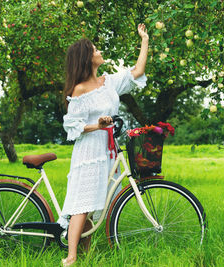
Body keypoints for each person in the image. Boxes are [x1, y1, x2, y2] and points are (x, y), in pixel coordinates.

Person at [59, 23, 149, 266]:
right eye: (95, 49)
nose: (99, 52)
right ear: (87, 58)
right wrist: (96, 126)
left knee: (98, 200)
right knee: (83, 201)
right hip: (89, 151)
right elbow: (72, 127)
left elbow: (138, 71)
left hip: (108, 149)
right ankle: (71, 256)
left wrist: (144, 40)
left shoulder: (109, 82)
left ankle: (86, 254)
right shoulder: (79, 90)